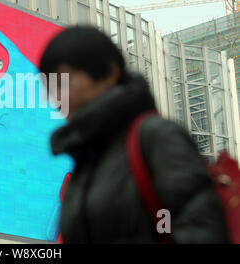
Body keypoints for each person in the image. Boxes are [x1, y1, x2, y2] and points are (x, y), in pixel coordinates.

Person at [39, 26, 229, 244]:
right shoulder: (86, 162)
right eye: (51, 88)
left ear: (109, 74)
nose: (58, 98)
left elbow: (203, 229)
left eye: (66, 82)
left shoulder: (155, 137)